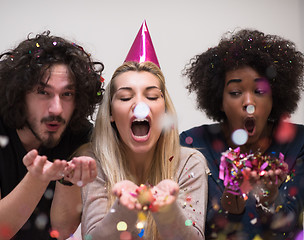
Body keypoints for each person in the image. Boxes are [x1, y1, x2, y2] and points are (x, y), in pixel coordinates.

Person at [56, 21, 208, 240]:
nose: (140, 106)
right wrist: (124, 209)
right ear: (110, 114)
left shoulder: (189, 162)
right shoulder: (92, 161)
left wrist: (167, 210)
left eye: (152, 96)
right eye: (126, 97)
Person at [0, 31, 104, 240]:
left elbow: (62, 230)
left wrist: (69, 181)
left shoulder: (80, 135)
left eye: (67, 94)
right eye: (43, 92)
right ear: (19, 95)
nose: (56, 108)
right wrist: (38, 179)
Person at [180, 29, 304, 239]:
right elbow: (188, 229)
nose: (248, 103)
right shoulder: (193, 144)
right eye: (236, 92)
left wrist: (270, 201)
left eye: (260, 91)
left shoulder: (297, 141)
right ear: (220, 100)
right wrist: (229, 211)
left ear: (275, 97)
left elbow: (292, 229)